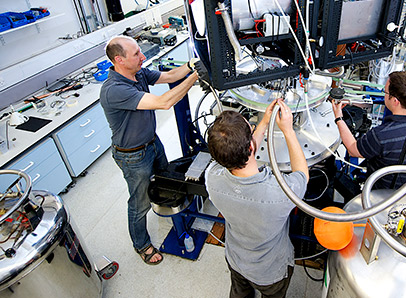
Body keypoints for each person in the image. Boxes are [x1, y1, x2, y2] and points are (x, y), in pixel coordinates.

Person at [100, 35, 200, 265]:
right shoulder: (114, 90)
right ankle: (141, 244)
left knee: (166, 179)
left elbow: (171, 76)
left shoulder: (139, 73)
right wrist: (196, 76)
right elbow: (164, 102)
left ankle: (171, 213)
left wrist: (192, 64)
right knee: (139, 204)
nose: (142, 56)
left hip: (152, 143)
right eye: (136, 54)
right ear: (119, 60)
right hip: (132, 156)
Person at [205, 100, 309, 298]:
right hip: (270, 272)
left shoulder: (212, 178)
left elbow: (240, 153)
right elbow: (302, 174)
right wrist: (288, 131)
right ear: (252, 147)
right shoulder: (280, 193)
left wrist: (264, 123)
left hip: (236, 259)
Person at [332, 71, 406, 189]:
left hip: (383, 193)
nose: (383, 94)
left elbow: (353, 150)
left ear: (395, 101)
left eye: (385, 92)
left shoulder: (382, 135)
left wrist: (339, 118)